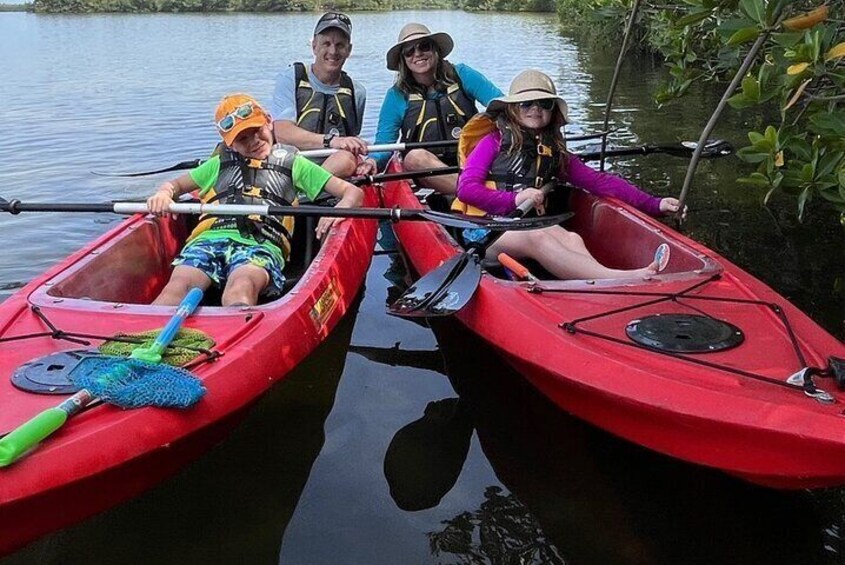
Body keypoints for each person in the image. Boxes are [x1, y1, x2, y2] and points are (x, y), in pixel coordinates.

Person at [454, 69, 683, 280]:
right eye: (526, 103)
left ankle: (598, 279)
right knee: (538, 237)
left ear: (552, 112)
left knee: (572, 238)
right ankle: (613, 278)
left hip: (522, 224)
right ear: (513, 109)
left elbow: (600, 182)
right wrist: (515, 198)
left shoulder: (554, 153)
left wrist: (655, 204)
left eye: (544, 103)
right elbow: (466, 190)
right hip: (483, 231)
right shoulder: (492, 142)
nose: (536, 109)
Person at [146, 94, 363, 307]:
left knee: (241, 286)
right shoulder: (217, 164)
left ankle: (236, 330)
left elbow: (352, 192)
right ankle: (140, 333)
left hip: (259, 245)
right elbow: (175, 185)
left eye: (257, 131)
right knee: (177, 287)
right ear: (229, 144)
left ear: (268, 122)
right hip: (209, 240)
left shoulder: (294, 163)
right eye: (243, 139)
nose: (254, 142)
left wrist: (340, 209)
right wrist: (163, 194)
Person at [372, 23, 503, 195]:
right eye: (409, 52)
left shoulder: (462, 75)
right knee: (414, 158)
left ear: (436, 50)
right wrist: (372, 162)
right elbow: (384, 144)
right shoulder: (396, 96)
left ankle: (478, 191)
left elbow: (501, 106)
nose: (417, 54)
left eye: (424, 47)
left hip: (472, 163)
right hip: (426, 171)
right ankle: (482, 195)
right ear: (403, 59)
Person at [270, 12, 377, 180]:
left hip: (337, 170)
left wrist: (365, 160)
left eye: (340, 45)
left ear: (349, 50)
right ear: (314, 46)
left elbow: (351, 138)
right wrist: (331, 141)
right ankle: (302, 191)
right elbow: (283, 132)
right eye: (326, 43)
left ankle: (311, 190)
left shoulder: (357, 92)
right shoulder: (291, 78)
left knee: (346, 159)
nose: (333, 51)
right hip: (292, 166)